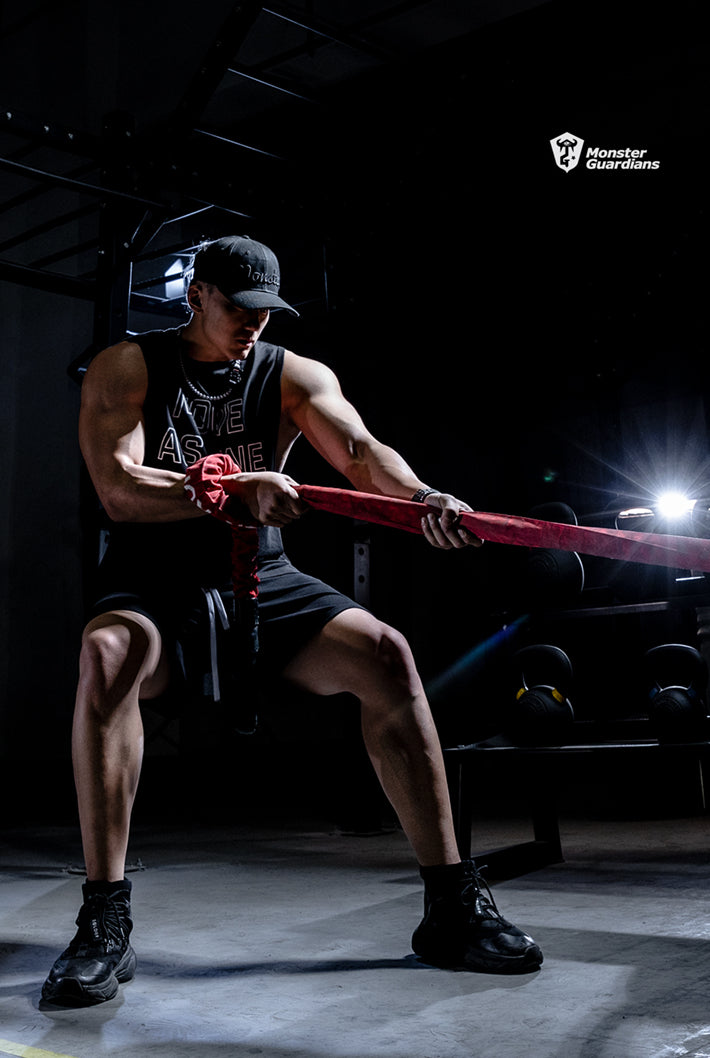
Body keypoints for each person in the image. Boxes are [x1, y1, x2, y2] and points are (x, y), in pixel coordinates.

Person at [41, 235, 543, 1006]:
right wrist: (229, 491)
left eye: (266, 312)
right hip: (154, 579)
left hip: (263, 578)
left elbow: (362, 451)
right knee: (107, 656)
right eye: (239, 309)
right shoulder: (128, 367)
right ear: (196, 296)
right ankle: (104, 922)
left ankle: (449, 904)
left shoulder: (292, 374)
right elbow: (117, 488)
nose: (254, 325)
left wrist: (423, 500)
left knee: (387, 655)